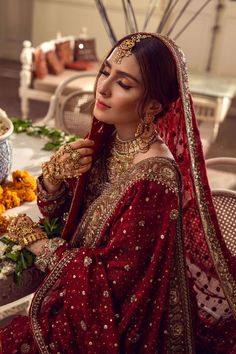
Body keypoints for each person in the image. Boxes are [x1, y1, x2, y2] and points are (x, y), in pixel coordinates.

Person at [0, 32, 236, 354]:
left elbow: (109, 285)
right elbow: (66, 218)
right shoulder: (109, 139)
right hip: (76, 295)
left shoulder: (155, 182)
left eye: (124, 84)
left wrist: (38, 243)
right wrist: (53, 177)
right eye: (105, 71)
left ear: (153, 105)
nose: (103, 87)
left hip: (114, 323)